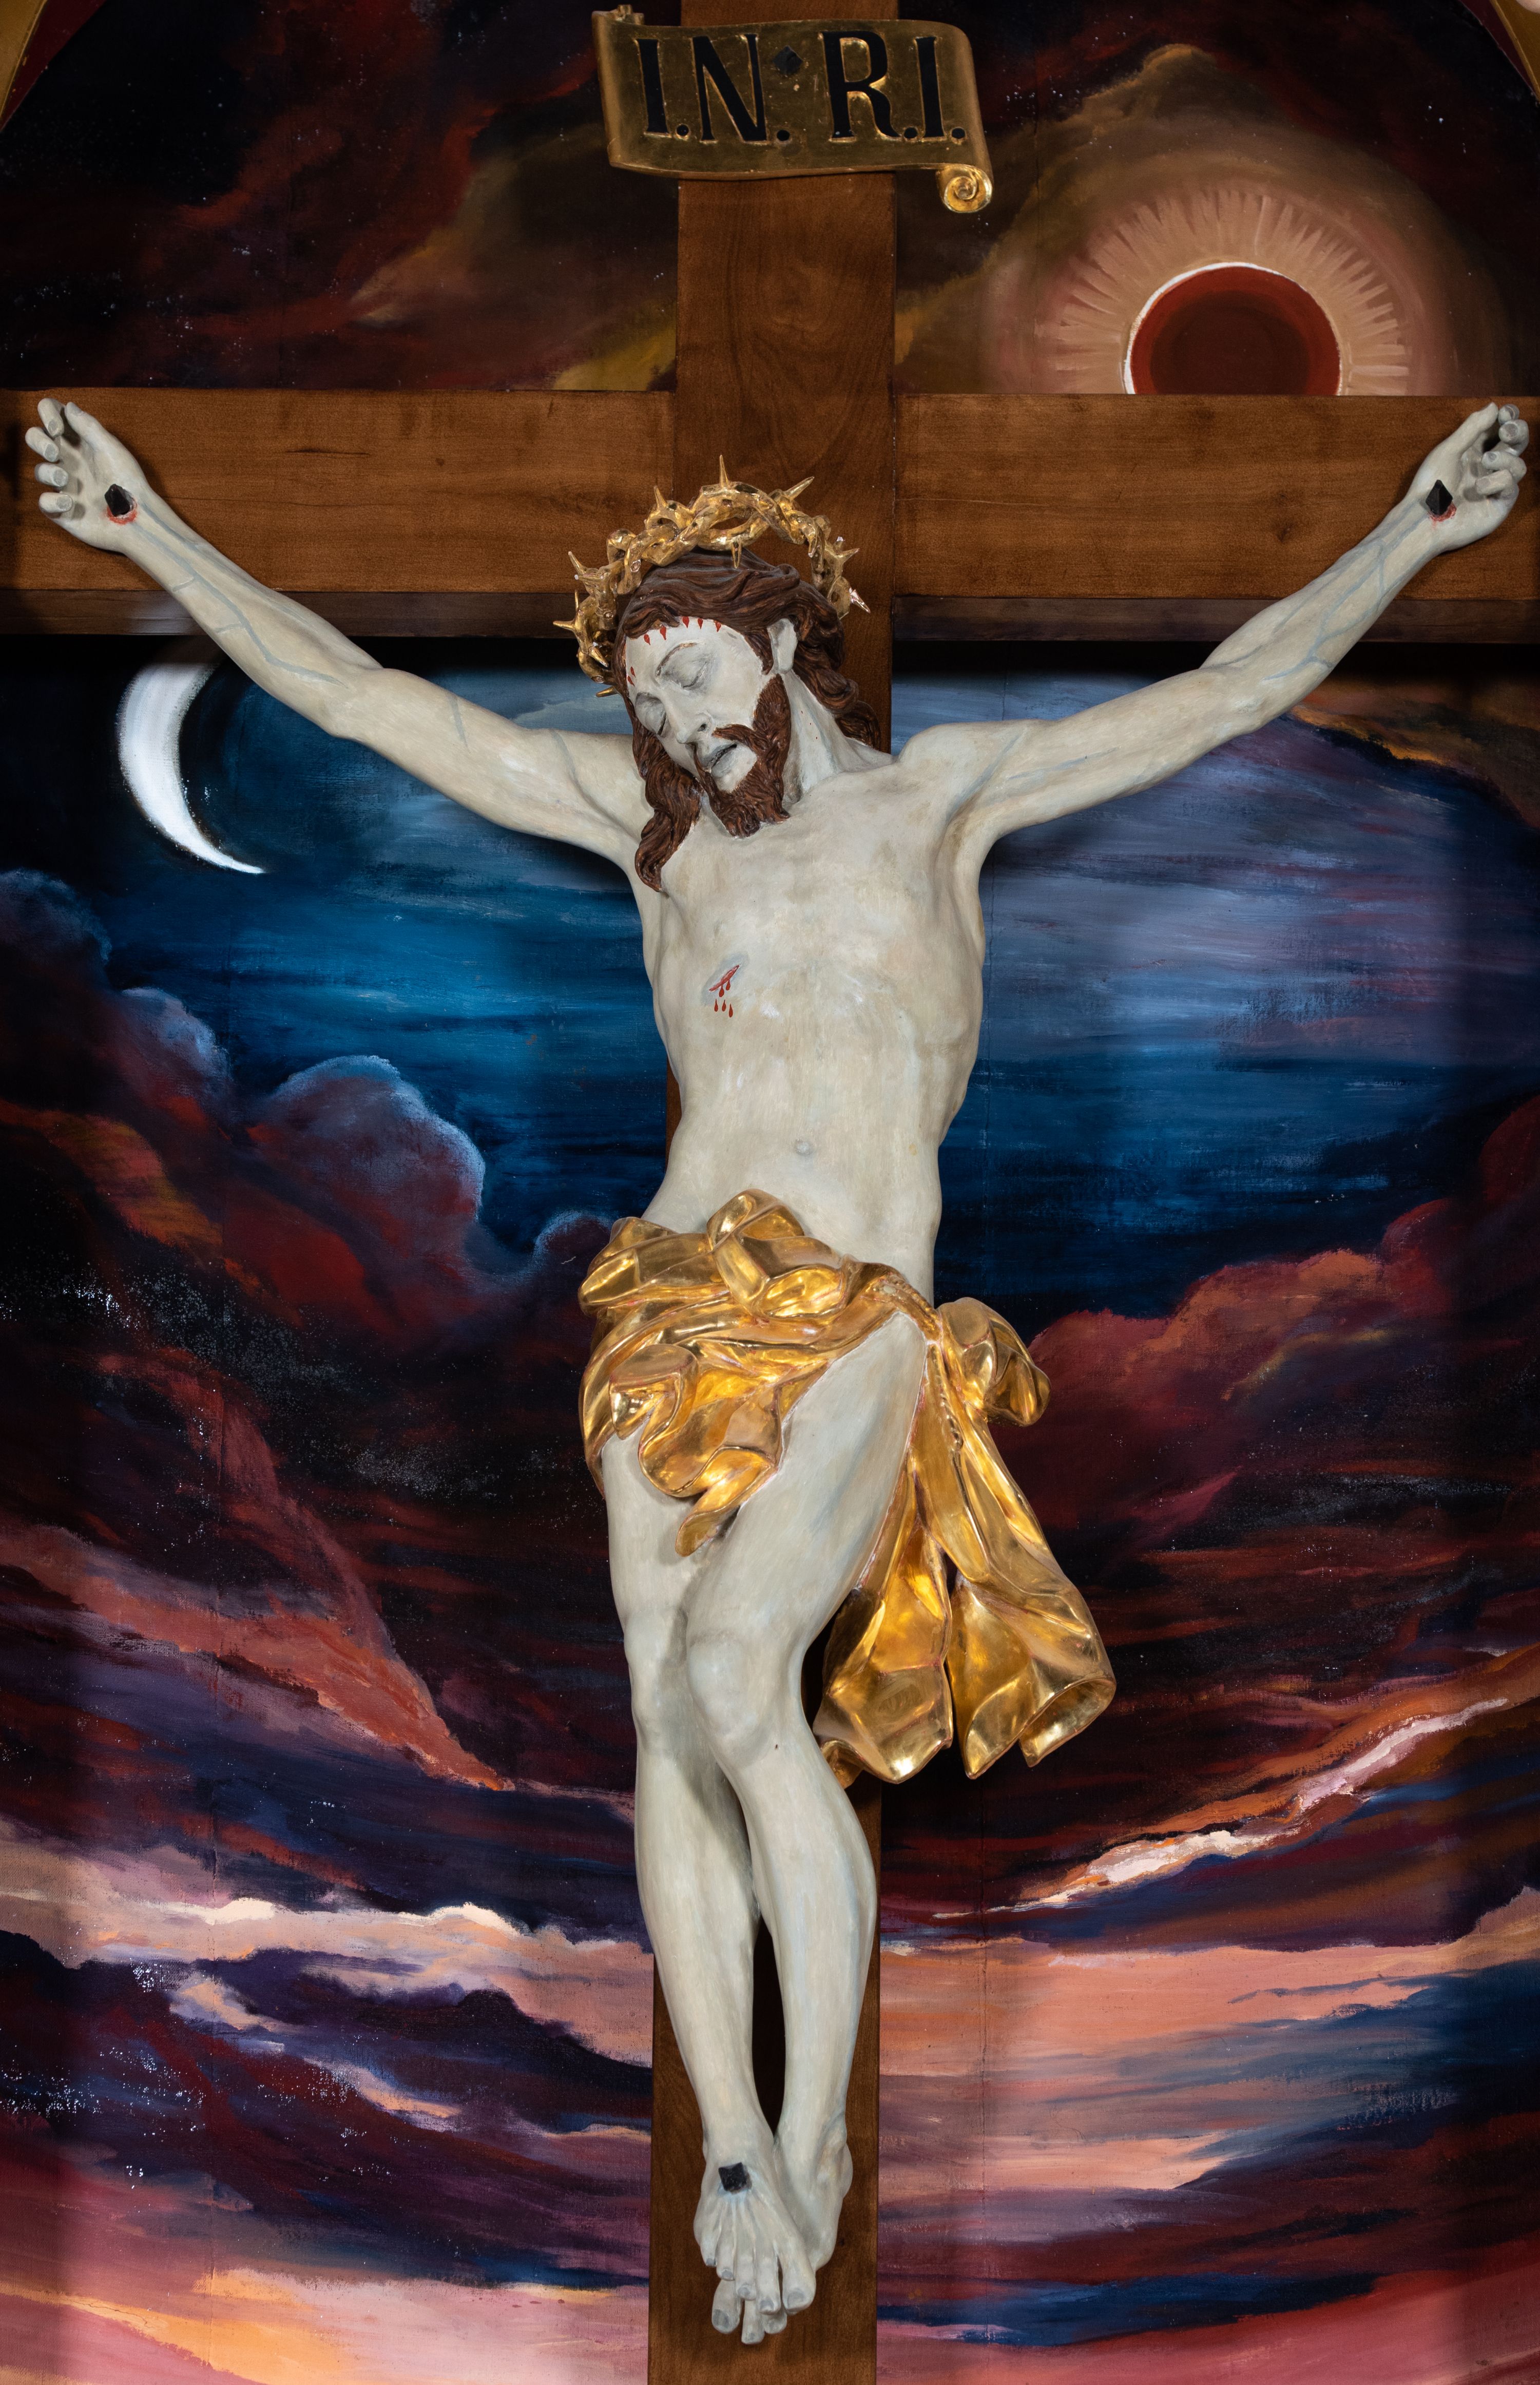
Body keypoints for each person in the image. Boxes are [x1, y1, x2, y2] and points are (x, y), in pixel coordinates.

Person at [30, 395, 1529, 2342]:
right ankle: (730, 2139)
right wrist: (149, 532)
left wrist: (1415, 529)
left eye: (689, 664)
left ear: (780, 643)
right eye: (642, 689)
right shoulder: (650, 840)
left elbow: (1225, 692)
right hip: (670, 1302)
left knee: (748, 1677)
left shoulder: (942, 800)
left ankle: (813, 2137)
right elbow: (369, 699)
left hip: (861, 1305)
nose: (666, 712)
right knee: (670, 1709)